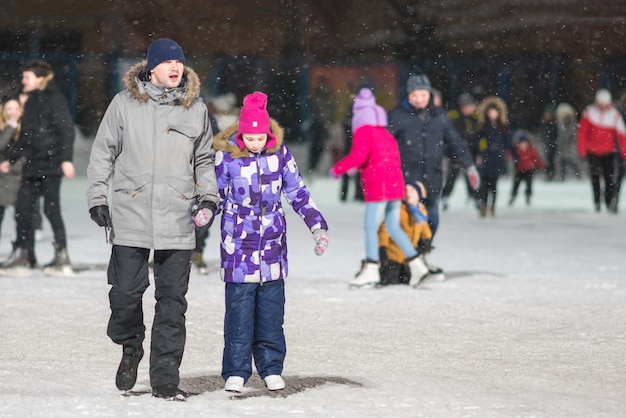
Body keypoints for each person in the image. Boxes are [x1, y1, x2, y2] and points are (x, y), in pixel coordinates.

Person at [86, 38, 219, 401]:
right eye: (168, 62)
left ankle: (165, 379)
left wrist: (208, 194)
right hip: (131, 214)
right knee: (126, 295)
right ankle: (130, 344)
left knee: (172, 304)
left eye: (179, 61)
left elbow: (205, 160)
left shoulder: (196, 109)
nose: (175, 67)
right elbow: (102, 154)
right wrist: (98, 197)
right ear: (152, 67)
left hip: (177, 218)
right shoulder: (124, 104)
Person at [212, 91, 328, 393]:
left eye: (260, 138)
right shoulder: (227, 158)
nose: (255, 143)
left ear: (267, 134)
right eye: (249, 138)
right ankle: (236, 371)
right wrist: (200, 213)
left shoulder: (280, 156)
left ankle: (271, 367)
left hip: (272, 249)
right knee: (238, 314)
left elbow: (299, 193)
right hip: (238, 248)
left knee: (271, 314)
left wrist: (317, 226)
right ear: (240, 135)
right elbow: (213, 195)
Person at [330, 87, 430, 289]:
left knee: (370, 226)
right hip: (395, 185)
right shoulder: (385, 133)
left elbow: (359, 156)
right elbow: (377, 158)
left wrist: (338, 169)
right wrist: (357, 168)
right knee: (393, 226)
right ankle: (418, 265)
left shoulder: (363, 131)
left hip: (380, 186)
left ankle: (371, 268)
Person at [387, 73, 480, 276]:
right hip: (408, 181)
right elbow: (384, 144)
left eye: (423, 94)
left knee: (432, 222)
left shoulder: (439, 116)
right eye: (415, 95)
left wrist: (469, 166)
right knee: (409, 223)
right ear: (408, 95)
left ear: (429, 94)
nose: (420, 99)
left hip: (432, 179)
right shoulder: (397, 116)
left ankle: (420, 259)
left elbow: (455, 142)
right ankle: (405, 263)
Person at [0, 60, 75, 273]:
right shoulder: (31, 101)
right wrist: (11, 159)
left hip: (50, 165)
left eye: (27, 77)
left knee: (51, 210)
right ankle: (25, 254)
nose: (23, 81)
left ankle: (62, 254)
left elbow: (66, 131)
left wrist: (65, 159)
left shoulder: (55, 99)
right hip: (31, 165)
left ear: (40, 78)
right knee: (23, 210)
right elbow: (26, 136)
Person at [577, 89, 626, 213]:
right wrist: (582, 149)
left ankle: (609, 201)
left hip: (608, 152)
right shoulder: (589, 113)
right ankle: (597, 201)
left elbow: (621, 135)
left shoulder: (615, 115)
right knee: (595, 177)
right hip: (592, 152)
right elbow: (582, 132)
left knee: (609, 178)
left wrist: (624, 151)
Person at [378, 181, 434, 286]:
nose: (408, 193)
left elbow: (424, 228)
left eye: (412, 191)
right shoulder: (398, 209)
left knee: (407, 279)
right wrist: (383, 249)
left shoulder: (420, 211)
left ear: (419, 194)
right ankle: (379, 270)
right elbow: (384, 229)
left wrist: (426, 241)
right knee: (391, 280)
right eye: (405, 190)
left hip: (407, 259)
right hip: (393, 256)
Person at [442, 92, 480, 210]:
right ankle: (445, 196)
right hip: (456, 152)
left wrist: (478, 152)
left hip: (471, 152)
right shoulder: (453, 117)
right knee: (452, 176)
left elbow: (479, 137)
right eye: (464, 106)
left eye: (469, 106)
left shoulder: (476, 118)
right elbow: (450, 137)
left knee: (472, 176)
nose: (467, 109)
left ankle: (474, 196)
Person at [474, 96, 511, 217]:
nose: (492, 115)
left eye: (494, 112)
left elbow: (507, 143)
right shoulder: (483, 127)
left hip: (497, 159)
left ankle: (492, 206)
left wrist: (507, 153)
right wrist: (480, 152)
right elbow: (477, 142)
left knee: (494, 185)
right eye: (490, 112)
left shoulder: (503, 127)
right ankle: (483, 205)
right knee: (484, 185)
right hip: (486, 158)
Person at [0, 98, 23, 246]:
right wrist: (11, 126)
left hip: (18, 179)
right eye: (9, 109)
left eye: (16, 108)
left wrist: (12, 167)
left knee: (22, 218)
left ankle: (20, 249)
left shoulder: (26, 129)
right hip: (2, 180)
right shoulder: (5, 129)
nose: (13, 112)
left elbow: (25, 155)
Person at [508, 134, 545, 206]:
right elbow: (509, 155)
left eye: (525, 143)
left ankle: (528, 196)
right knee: (516, 185)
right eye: (521, 143)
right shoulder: (516, 150)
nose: (523, 145)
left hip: (528, 171)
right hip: (519, 171)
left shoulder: (531, 150)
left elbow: (536, 159)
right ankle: (513, 196)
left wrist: (542, 166)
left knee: (529, 185)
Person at [555, 102, 580, 181]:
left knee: (569, 160)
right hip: (562, 144)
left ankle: (577, 173)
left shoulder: (571, 122)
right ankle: (563, 176)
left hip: (568, 145)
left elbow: (572, 134)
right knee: (562, 161)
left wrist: (571, 143)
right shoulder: (560, 122)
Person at [539, 105, 558, 181]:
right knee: (545, 160)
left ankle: (551, 174)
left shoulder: (554, 124)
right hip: (545, 144)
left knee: (551, 160)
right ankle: (547, 174)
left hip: (552, 145)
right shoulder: (543, 123)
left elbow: (555, 135)